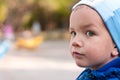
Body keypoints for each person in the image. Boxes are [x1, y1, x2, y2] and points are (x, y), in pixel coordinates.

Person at [69, 0, 120, 80]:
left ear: (115, 46)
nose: (75, 42)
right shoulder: (92, 73)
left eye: (89, 33)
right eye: (73, 33)